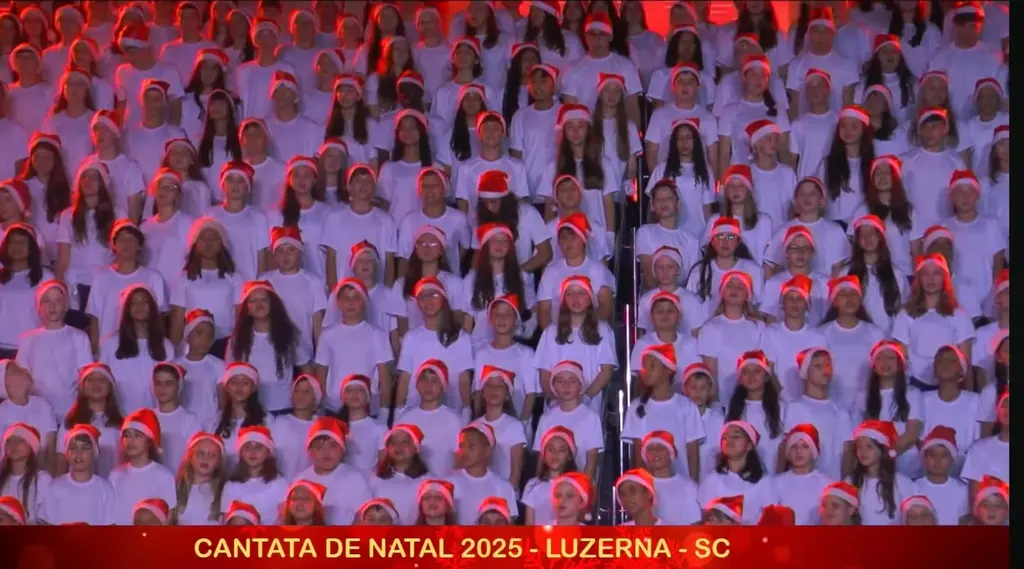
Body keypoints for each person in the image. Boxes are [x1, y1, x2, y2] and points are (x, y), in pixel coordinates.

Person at [697, 420, 778, 524]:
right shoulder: (711, 479)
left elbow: (771, 521)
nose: (729, 440)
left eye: (736, 436)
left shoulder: (764, 482)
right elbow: (705, 518)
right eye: (725, 437)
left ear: (749, 445)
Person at [109, 408, 176, 525]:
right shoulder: (115, 475)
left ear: (149, 441)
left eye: (137, 435)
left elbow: (168, 518)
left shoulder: (164, 476)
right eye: (127, 435)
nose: (130, 441)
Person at [37, 424, 115, 525]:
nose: (78, 453)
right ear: (67, 453)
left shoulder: (105, 489)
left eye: (85, 448)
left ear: (94, 453)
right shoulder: (55, 487)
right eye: (73, 448)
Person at [849, 419, 915, 525]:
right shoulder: (850, 481)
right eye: (859, 447)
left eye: (869, 447)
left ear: (882, 450)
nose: (863, 452)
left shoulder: (903, 483)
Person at [220, 425, 289, 524]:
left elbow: (284, 518)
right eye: (247, 447)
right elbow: (226, 521)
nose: (253, 452)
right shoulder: (230, 486)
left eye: (258, 447)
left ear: (268, 452)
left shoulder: (280, 483)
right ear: (241, 452)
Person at [370, 423, 430, 526]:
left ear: (416, 448)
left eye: (405, 442)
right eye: (393, 442)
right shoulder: (375, 477)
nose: (398, 447)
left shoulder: (427, 481)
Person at [640, 430, 701, 525]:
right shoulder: (640, 487)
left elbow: (695, 524)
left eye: (661, 447)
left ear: (671, 453)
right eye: (650, 448)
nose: (656, 452)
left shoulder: (688, 486)